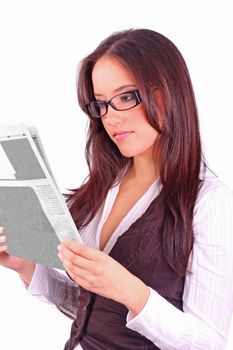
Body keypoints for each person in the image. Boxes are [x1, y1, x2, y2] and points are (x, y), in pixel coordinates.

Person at [0, 28, 233, 350]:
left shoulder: (209, 201)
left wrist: (131, 290)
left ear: (167, 92)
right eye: (101, 104)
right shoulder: (104, 186)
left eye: (126, 97)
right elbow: (92, 306)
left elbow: (209, 343)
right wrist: (27, 267)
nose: (110, 118)